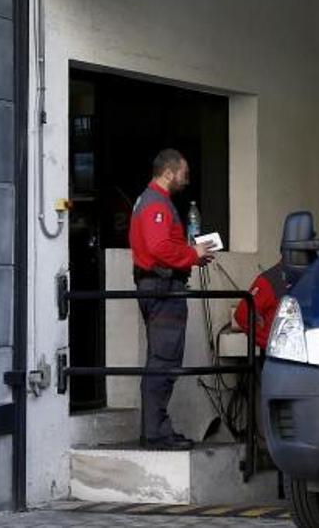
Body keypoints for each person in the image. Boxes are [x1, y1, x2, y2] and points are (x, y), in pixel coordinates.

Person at [129, 149, 214, 451]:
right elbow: (160, 247)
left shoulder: (150, 201)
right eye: (184, 173)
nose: (187, 179)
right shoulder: (157, 204)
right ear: (169, 172)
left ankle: (155, 429)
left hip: (158, 285)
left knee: (160, 359)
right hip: (163, 288)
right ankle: (155, 433)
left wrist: (190, 258)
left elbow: (161, 247)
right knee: (163, 361)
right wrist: (192, 255)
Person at [233, 260, 294, 350]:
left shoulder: (314, 277)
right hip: (281, 354)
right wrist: (272, 343)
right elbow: (243, 315)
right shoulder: (272, 279)